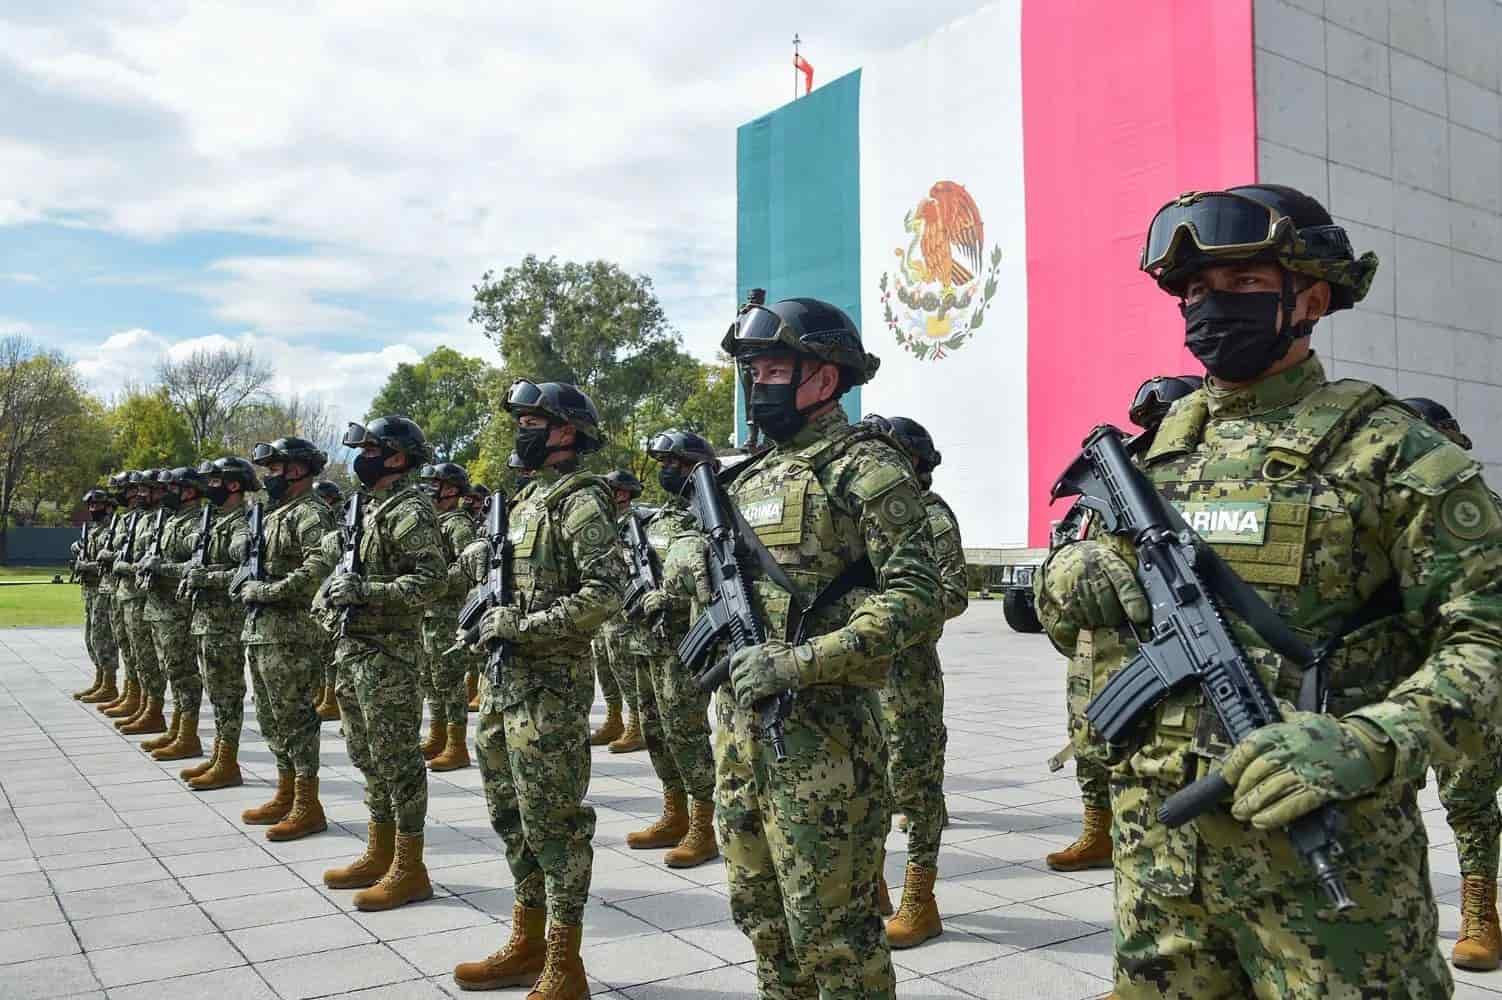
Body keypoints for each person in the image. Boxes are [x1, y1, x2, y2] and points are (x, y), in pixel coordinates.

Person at [1035, 184, 1502, 997]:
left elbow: (1487, 633)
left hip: (1331, 880)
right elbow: (1057, 604)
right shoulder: (1154, 458)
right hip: (1162, 870)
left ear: (1310, 297)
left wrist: (1373, 738)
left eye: (1242, 285)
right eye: (1193, 291)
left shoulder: (1392, 452)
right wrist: (1076, 576)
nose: (1209, 307)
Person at [712, 293, 941, 997]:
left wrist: (802, 662)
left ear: (825, 376)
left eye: (773, 368)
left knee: (834, 939)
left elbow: (919, 598)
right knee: (763, 921)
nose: (758, 385)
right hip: (741, 740)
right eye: (753, 371)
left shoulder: (863, 468)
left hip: (824, 743)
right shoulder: (744, 479)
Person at [453, 380, 624, 998]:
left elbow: (606, 592)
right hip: (503, 686)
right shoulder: (527, 501)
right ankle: (526, 940)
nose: (520, 430)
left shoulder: (582, 502)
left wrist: (524, 626)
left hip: (549, 689)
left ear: (565, 432)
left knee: (556, 824)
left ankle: (564, 960)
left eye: (531, 420)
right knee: (509, 815)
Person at [1044, 374, 1203, 877]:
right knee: (1088, 735)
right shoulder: (1108, 491)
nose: (1156, 437)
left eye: (1168, 423)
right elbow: (1056, 563)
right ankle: (1096, 829)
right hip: (1096, 649)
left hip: (1160, 648)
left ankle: (1158, 840)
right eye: (1150, 425)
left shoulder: (1197, 488)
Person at [316, 417, 446, 911]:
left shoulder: (410, 511)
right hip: (355, 649)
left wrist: (367, 591)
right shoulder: (368, 508)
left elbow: (430, 582)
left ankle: (410, 867)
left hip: (390, 656)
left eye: (370, 448)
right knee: (366, 756)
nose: (360, 457)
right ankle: (381, 851)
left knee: (398, 760)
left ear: (395, 456)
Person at [860, 414, 968, 948]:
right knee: (868, 782)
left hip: (908, 678)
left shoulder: (929, 516)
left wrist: (888, 615)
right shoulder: (867, 512)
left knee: (916, 787)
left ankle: (920, 898)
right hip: (862, 675)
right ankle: (873, 883)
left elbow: (954, 592)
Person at [1404, 396, 1502, 970]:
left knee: (1468, 795)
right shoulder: (1381, 506)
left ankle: (1479, 910)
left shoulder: (1481, 509)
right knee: (1393, 790)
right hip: (1403, 676)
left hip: (1472, 677)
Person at [619, 430, 721, 869]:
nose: (667, 472)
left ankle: (704, 824)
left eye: (677, 465)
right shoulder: (654, 521)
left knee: (687, 733)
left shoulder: (715, 516)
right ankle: (674, 811)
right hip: (646, 642)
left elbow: (722, 579)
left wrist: (676, 599)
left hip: (686, 647)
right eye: (664, 463)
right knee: (656, 731)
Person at [237, 437, 337, 841]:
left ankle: (307, 804)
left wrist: (270, 591)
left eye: (276, 468)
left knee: (295, 719)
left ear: (298, 470)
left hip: (293, 633)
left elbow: (319, 566)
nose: (269, 476)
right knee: (270, 717)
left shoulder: (311, 513)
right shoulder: (277, 513)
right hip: (263, 630)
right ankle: (286, 792)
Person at [177, 456, 260, 790]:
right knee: (215, 690)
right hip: (206, 619)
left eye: (214, 481)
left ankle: (228, 762)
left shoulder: (243, 523)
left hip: (225, 621)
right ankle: (219, 754)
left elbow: (246, 570)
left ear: (233, 484)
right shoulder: (216, 520)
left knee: (226, 692)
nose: (206, 487)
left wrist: (205, 577)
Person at [134, 467, 211, 762]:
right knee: (171, 671)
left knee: (183, 674)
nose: (164, 493)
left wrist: (160, 568)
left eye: (171, 488)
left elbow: (193, 566)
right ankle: (177, 729)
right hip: (159, 608)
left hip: (177, 610)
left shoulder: (196, 523)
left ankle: (188, 736)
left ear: (188, 491)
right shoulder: (171, 520)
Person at [416, 460, 478, 771]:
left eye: (434, 483)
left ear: (451, 489)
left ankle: (457, 745)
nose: (427, 489)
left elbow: (468, 567)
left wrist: (435, 578)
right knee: (429, 679)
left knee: (450, 680)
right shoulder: (432, 522)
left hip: (447, 614)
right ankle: (438, 735)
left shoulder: (458, 525)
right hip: (427, 613)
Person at [589, 469, 646, 751]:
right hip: (605, 606)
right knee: (603, 661)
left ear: (622, 493)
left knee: (624, 664)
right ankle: (614, 718)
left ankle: (637, 723)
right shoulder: (605, 522)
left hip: (626, 606)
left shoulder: (635, 522)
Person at [111, 470, 169, 736]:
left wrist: (129, 566)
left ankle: (152, 710)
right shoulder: (138, 519)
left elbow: (154, 561)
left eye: (147, 490)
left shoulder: (164, 519)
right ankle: (140, 702)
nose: (140, 494)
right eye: (139, 490)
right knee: (134, 653)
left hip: (147, 597)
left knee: (151, 659)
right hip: (129, 594)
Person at [98, 471, 148, 722]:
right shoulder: (123, 519)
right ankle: (131, 694)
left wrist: (118, 561)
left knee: (142, 653)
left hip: (137, 593)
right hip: (121, 590)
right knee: (127, 647)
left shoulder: (144, 519)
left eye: (123, 490)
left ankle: (143, 702)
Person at [71, 486, 121, 703]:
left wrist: (86, 565)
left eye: (97, 505)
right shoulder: (93, 530)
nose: (93, 509)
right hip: (90, 590)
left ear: (109, 506)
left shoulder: (114, 531)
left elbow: (109, 562)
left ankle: (109, 683)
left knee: (103, 639)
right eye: (90, 505)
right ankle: (100, 679)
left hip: (104, 589)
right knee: (91, 638)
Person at [311, 479, 346, 721]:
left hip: (335, 590)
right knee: (322, 650)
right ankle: (323, 693)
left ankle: (331, 699)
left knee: (333, 650)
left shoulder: (340, 524)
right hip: (320, 590)